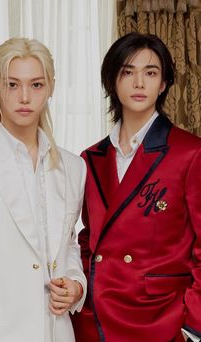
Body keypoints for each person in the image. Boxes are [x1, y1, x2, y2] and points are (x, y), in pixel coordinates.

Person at [71, 32, 201, 342]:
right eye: (127, 72)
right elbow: (89, 240)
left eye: (150, 72)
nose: (139, 83)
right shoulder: (90, 158)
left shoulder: (190, 153)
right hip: (95, 319)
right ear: (111, 81)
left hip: (160, 320)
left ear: (164, 83)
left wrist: (191, 327)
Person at [0, 37, 87, 342]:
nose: (24, 97)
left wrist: (76, 284)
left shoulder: (73, 167)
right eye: (11, 84)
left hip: (56, 330)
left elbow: (68, 244)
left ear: (51, 88)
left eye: (36, 85)